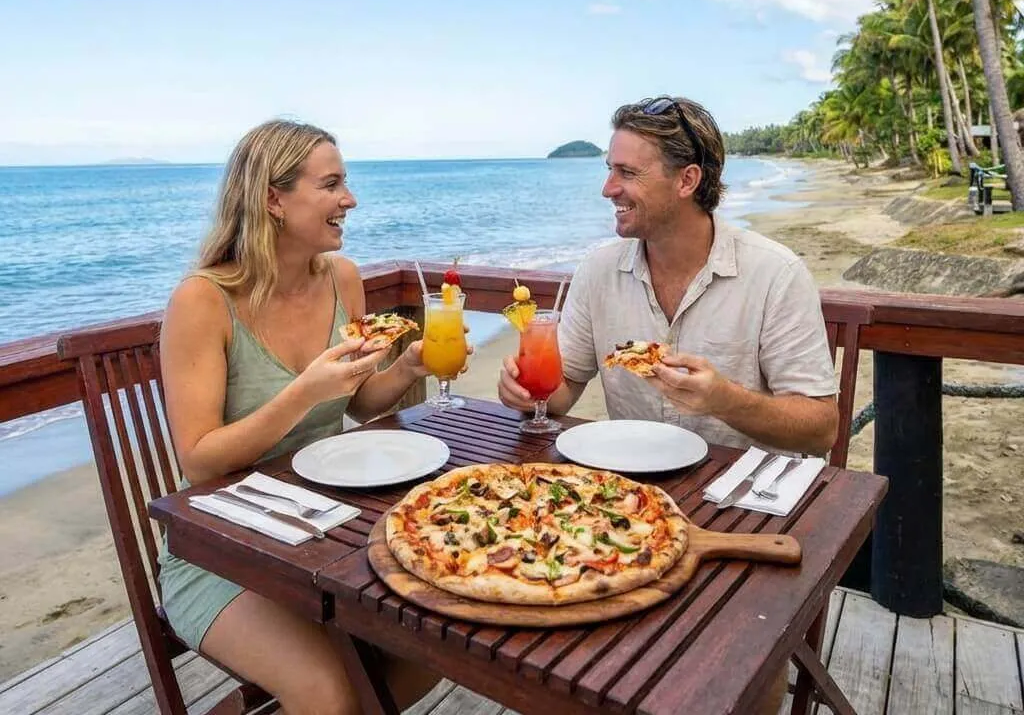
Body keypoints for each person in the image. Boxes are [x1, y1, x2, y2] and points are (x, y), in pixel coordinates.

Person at [498, 96, 838, 715]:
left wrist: (725, 399)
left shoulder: (774, 275)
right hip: (618, 503)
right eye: (610, 169)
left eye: (627, 173)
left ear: (688, 181)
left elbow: (818, 428)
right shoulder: (600, 270)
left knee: (738, 667)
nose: (607, 188)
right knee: (547, 637)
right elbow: (565, 385)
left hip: (743, 514)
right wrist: (528, 391)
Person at [159, 119, 440, 715]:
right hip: (218, 545)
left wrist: (409, 367)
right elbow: (199, 459)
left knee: (433, 647)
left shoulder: (343, 277)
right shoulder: (202, 301)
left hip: (324, 523)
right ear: (273, 199)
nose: (351, 200)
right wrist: (301, 394)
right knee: (327, 694)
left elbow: (357, 402)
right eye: (332, 184)